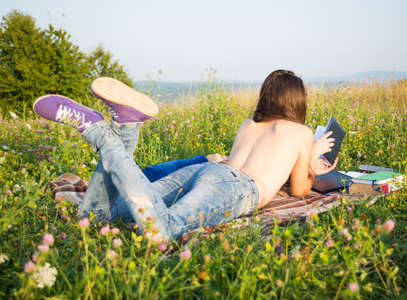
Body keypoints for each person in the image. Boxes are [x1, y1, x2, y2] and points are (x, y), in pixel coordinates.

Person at [33, 70, 336, 241]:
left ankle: (126, 127)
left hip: (205, 172)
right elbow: (299, 190)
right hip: (237, 186)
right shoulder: (302, 133)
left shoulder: (250, 123)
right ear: (298, 102)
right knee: (162, 230)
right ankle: (99, 132)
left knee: (99, 216)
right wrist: (313, 165)